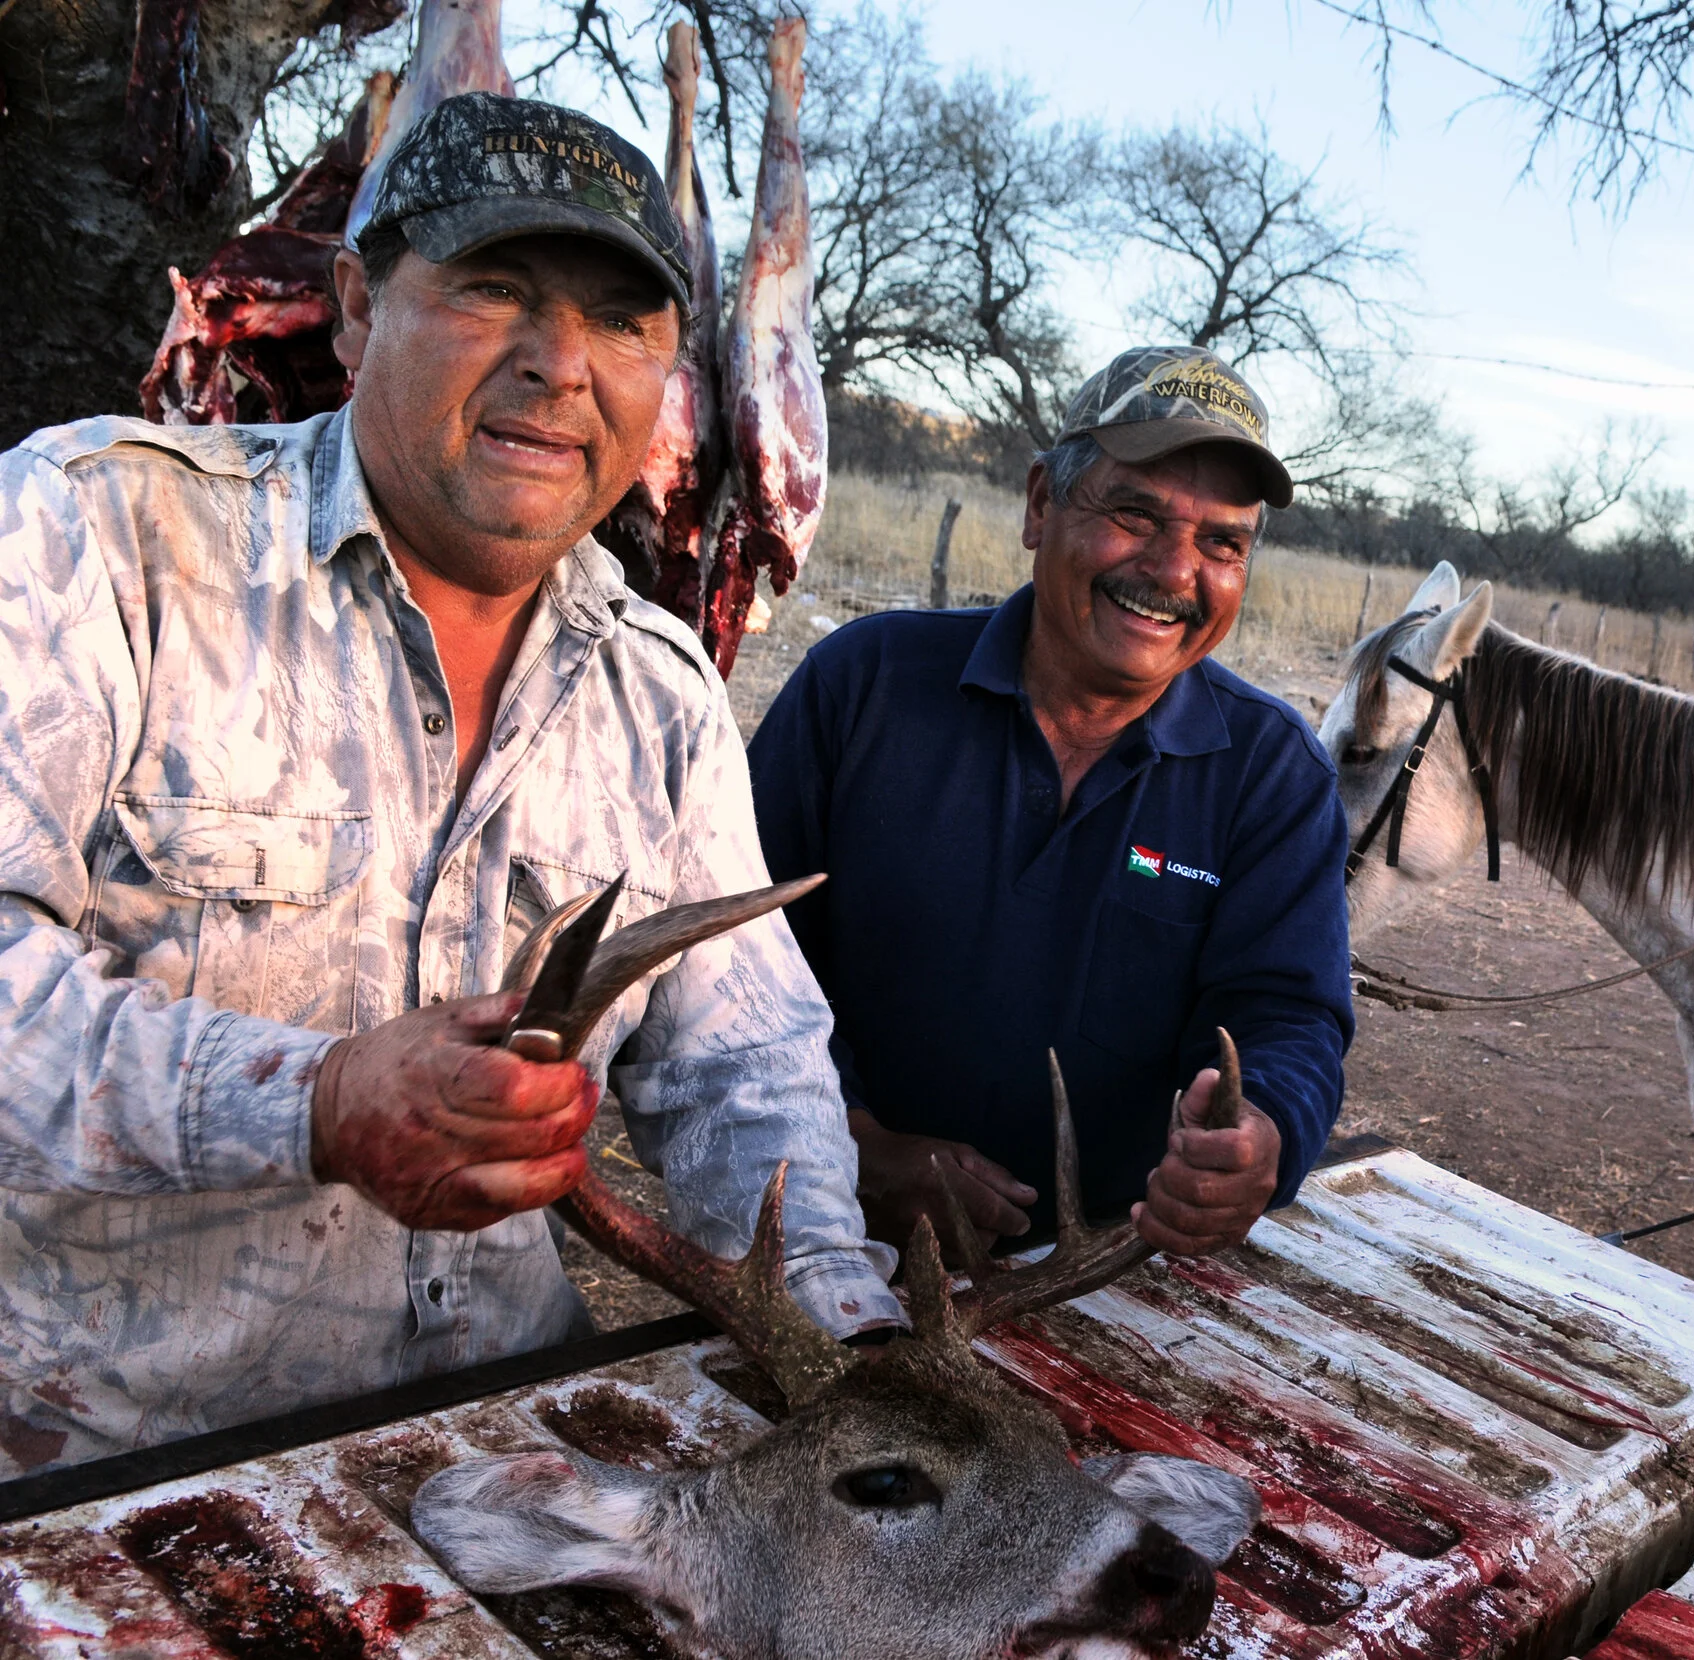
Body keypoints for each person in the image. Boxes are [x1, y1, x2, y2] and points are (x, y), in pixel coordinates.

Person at [0, 94, 896, 1473]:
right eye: (495, 289)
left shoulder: (659, 688)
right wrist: (311, 1100)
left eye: (625, 322)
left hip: (502, 1455)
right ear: (355, 307)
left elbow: (747, 1069)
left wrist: (841, 1325)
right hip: (108, 1477)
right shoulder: (100, 534)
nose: (561, 365)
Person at [749, 347, 1352, 1264]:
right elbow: (736, 969)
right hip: (822, 1239)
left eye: (1222, 543)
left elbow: (1291, 1019)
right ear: (1041, 504)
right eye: (1134, 514)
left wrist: (1260, 1137)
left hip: (1108, 1280)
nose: (1172, 570)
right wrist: (855, 1149)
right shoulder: (863, 686)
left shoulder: (1273, 774)